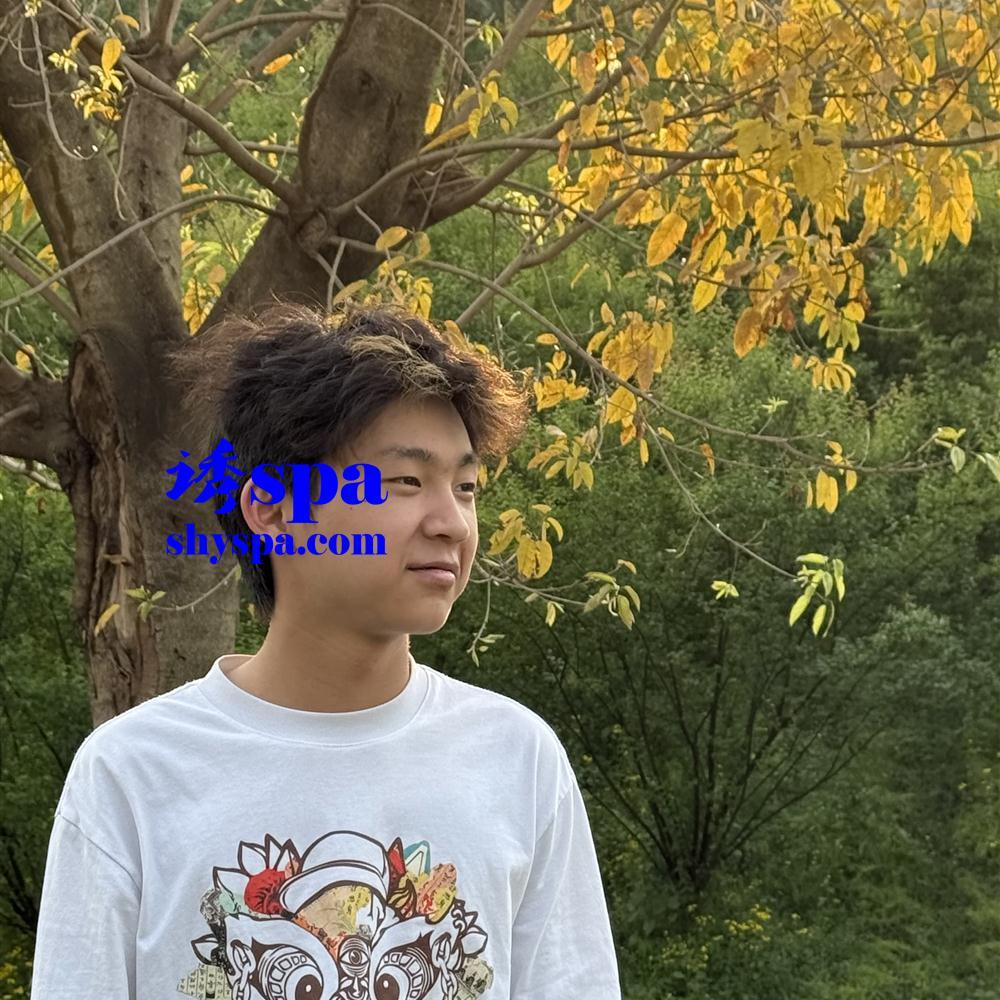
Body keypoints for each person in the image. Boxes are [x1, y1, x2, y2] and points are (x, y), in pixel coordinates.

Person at [29, 302, 623, 1000]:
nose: (453, 524)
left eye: (466, 488)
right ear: (272, 509)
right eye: (406, 482)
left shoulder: (517, 760)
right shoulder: (133, 775)